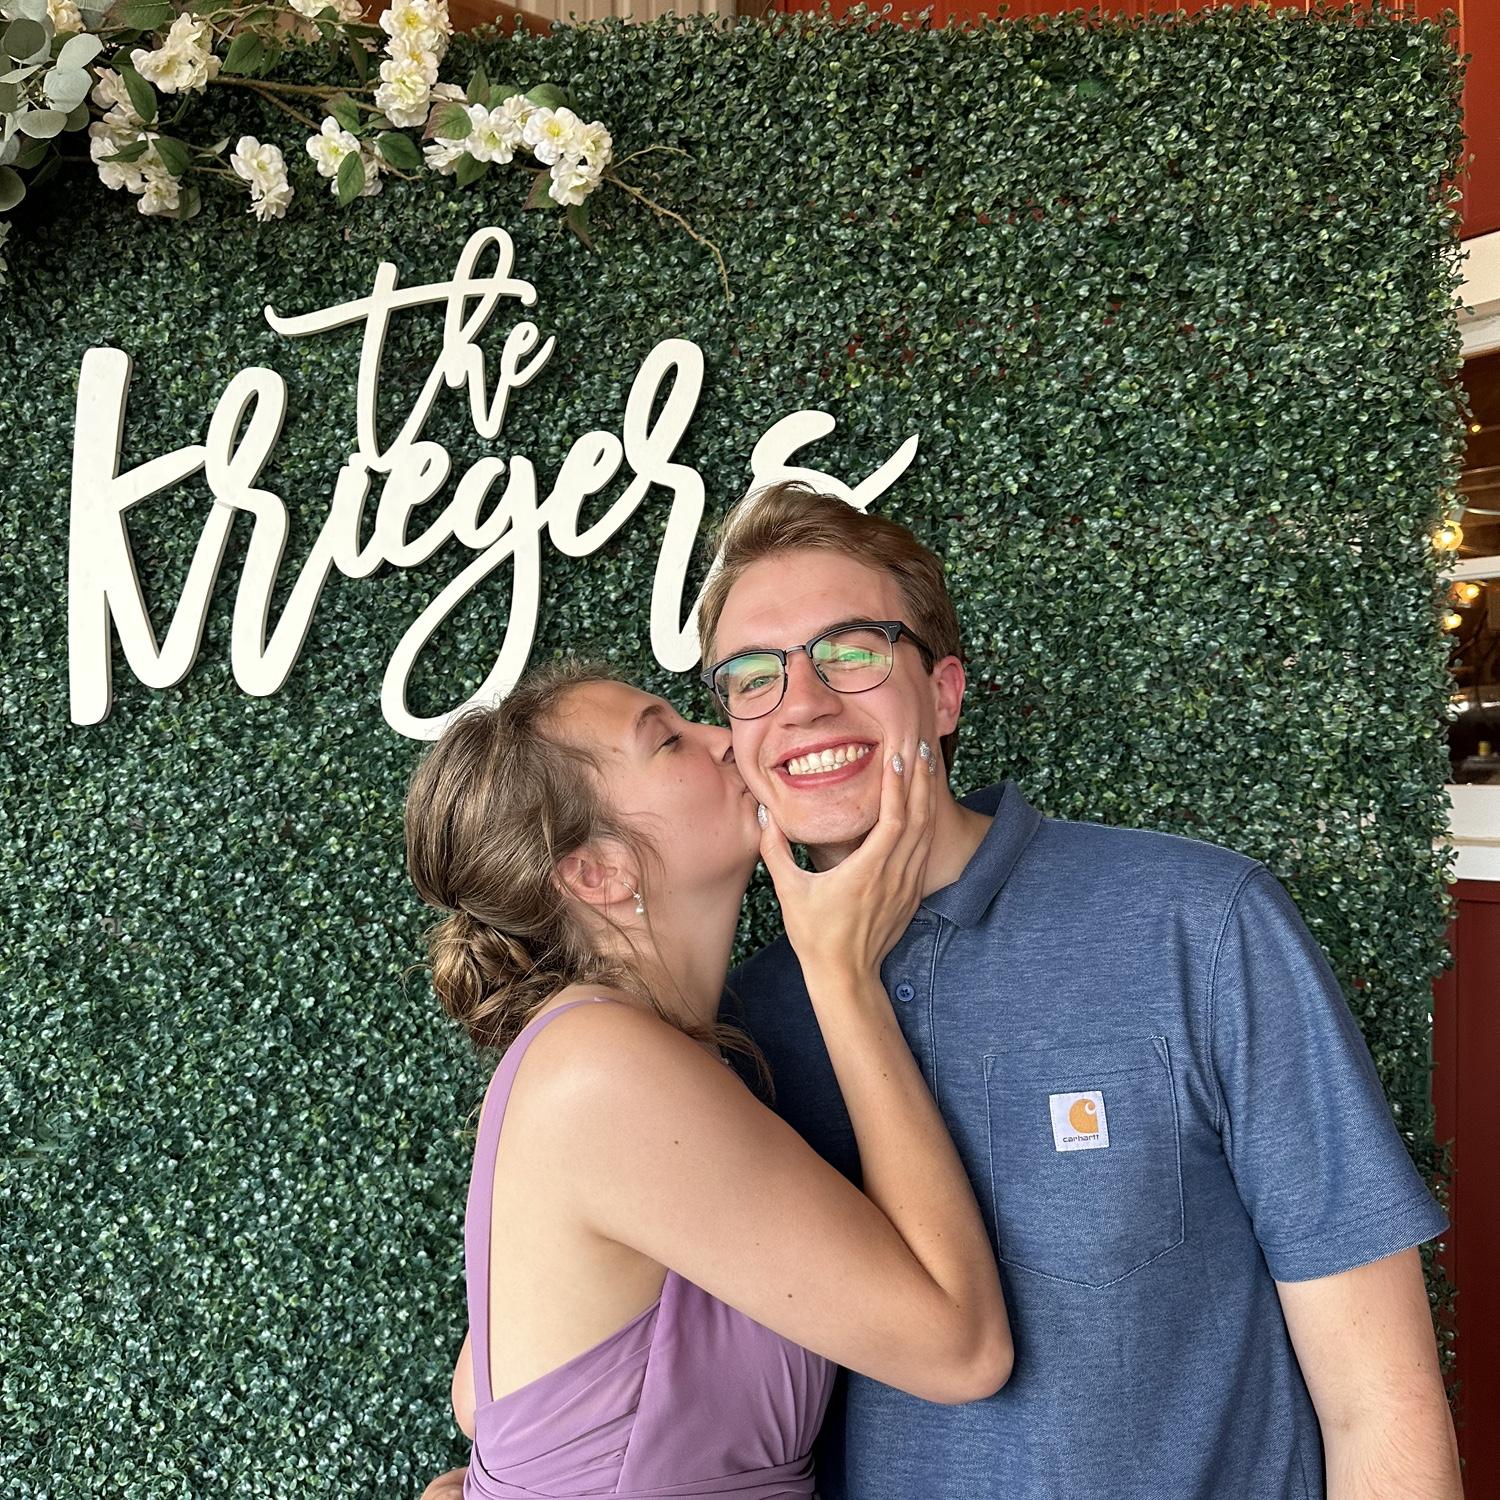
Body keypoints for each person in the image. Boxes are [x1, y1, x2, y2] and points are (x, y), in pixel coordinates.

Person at [699, 481, 1463, 1500]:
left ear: (945, 693)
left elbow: (1381, 1403)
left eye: (852, 651)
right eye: (753, 675)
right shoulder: (739, 1026)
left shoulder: (1200, 922)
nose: (801, 701)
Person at [404, 660, 1011, 1500]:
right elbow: (963, 1349)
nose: (727, 740)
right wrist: (841, 975)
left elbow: (483, 1399)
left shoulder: (635, 1056)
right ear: (598, 873)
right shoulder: (602, 1067)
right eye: (669, 741)